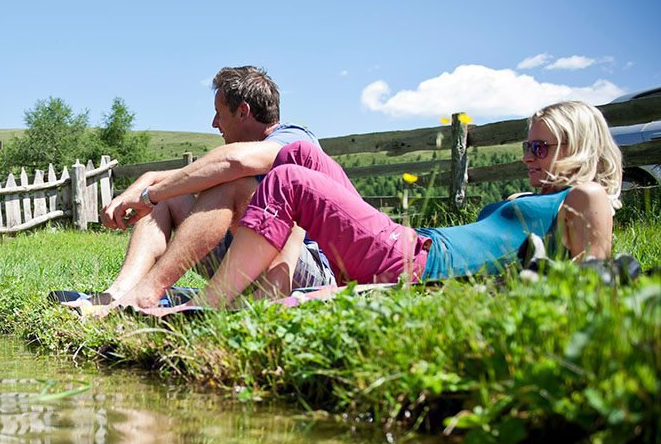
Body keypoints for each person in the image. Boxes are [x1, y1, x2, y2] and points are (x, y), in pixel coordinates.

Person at [188, 100, 621, 309]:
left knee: (288, 180)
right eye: (528, 145)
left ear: (579, 146)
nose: (527, 156)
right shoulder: (532, 198)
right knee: (301, 155)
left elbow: (588, 290)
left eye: (540, 147)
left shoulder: (587, 196)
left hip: (414, 261)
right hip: (411, 245)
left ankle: (211, 305)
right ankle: (261, 290)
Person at [94, 66, 335, 309]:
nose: (214, 123)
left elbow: (234, 162)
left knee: (232, 184)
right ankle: (118, 293)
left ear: (243, 111)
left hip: (301, 270)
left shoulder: (296, 140)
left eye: (219, 113)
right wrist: (149, 180)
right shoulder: (243, 155)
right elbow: (186, 178)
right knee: (170, 195)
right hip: (244, 263)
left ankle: (150, 292)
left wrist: (148, 196)